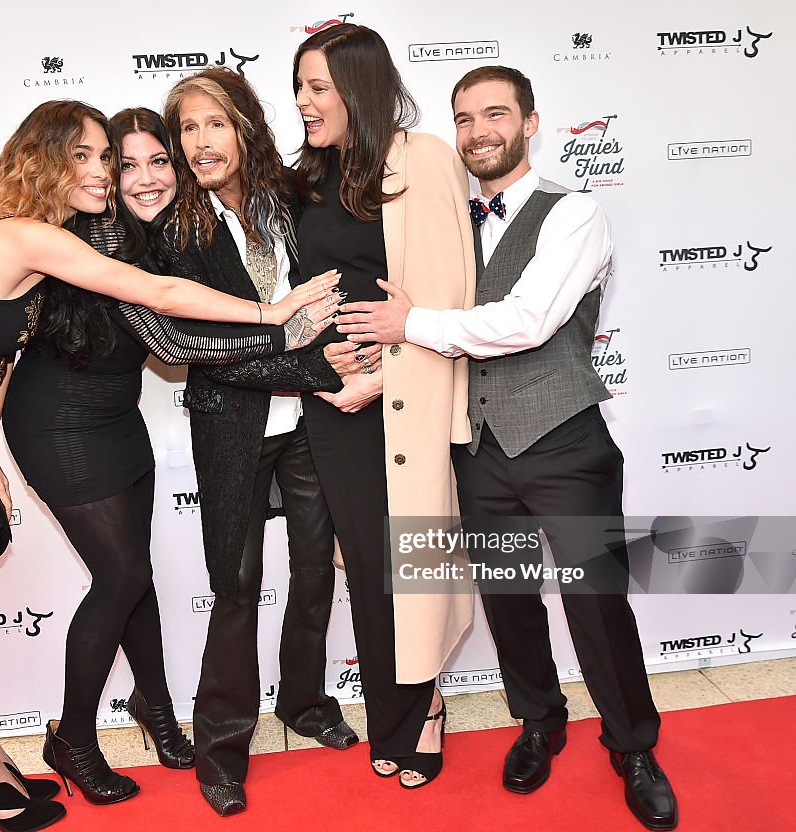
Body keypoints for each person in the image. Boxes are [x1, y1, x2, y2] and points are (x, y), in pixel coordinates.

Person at [0, 99, 338, 832]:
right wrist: (276, 316)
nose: (105, 172)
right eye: (84, 156)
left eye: (104, 157)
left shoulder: (38, 238)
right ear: (44, 160)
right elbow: (162, 302)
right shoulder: (26, 237)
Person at [335, 65, 678, 830]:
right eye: (463, 119)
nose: (478, 132)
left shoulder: (574, 213)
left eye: (495, 115)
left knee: (596, 604)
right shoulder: (448, 217)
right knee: (509, 599)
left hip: (565, 445)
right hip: (477, 448)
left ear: (529, 123)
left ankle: (633, 745)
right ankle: (539, 720)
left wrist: (411, 324)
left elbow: (527, 321)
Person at [1, 107, 332, 805]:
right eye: (126, 165)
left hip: (116, 419)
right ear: (98, 175)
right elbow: (177, 347)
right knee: (119, 576)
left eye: (160, 162)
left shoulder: (163, 238)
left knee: (134, 576)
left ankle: (152, 709)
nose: (146, 178)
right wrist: (291, 335)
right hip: (57, 425)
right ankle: (75, 740)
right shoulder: (106, 236)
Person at [159, 67, 367, 816]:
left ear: (245, 126)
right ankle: (221, 748)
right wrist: (312, 367)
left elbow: (326, 297)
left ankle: (305, 702)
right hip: (233, 425)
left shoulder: (291, 198)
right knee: (236, 586)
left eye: (215, 123)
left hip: (312, 426)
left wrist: (323, 362)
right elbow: (200, 347)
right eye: (187, 128)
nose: (201, 141)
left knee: (315, 570)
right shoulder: (177, 227)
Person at [287, 24, 476, 790]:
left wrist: (383, 375)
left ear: (358, 87)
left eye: (318, 87)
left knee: (414, 565)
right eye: (299, 87)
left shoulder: (421, 158)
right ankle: (398, 711)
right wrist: (317, 366)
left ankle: (421, 708)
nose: (303, 102)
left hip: (403, 400)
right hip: (336, 404)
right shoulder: (310, 178)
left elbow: (446, 294)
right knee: (368, 566)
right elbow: (307, 297)